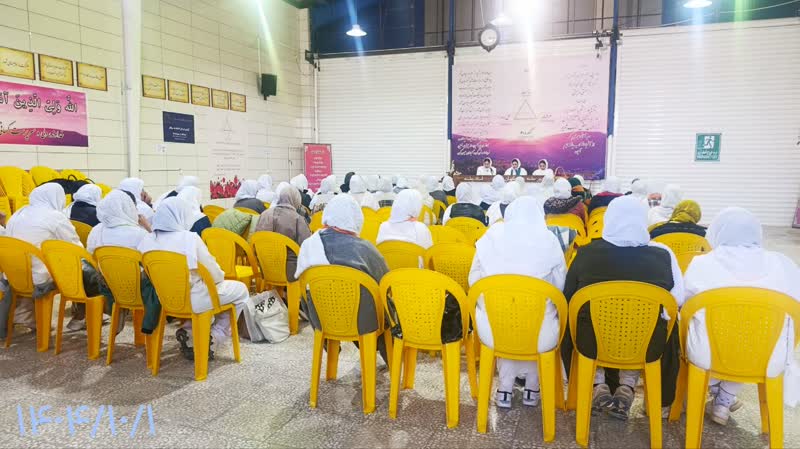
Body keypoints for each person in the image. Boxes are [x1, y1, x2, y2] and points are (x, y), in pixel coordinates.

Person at [560, 196, 684, 421]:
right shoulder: (663, 256)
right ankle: (629, 386)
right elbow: (677, 300)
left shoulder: (586, 253)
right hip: (645, 346)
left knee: (578, 319)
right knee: (656, 323)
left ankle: (596, 382)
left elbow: (567, 296)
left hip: (593, 343)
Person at [683, 207, 800, 425]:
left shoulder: (703, 263)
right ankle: (724, 401)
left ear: (717, 231)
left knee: (705, 332)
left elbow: (684, 305)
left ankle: (713, 391)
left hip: (708, 354)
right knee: (751, 337)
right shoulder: (784, 265)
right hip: (767, 356)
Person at [470, 196, 566, 408]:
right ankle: (532, 388)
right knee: (534, 318)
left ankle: (504, 388)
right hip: (541, 335)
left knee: (505, 317)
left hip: (492, 331)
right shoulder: (549, 240)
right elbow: (560, 286)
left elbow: (473, 281)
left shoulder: (490, 236)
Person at [138, 197, 249, 360]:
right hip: (196, 298)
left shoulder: (147, 240)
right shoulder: (189, 239)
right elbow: (212, 272)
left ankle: (189, 330)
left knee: (208, 300)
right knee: (241, 291)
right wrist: (220, 279)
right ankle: (216, 335)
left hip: (166, 299)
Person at [295, 195, 390, 362]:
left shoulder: (308, 245)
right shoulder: (365, 249)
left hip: (323, 319)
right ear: (356, 219)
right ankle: (389, 359)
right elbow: (385, 282)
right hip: (362, 323)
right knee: (384, 306)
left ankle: (331, 347)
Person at [6, 184, 83, 330]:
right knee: (84, 269)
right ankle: (82, 317)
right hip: (40, 278)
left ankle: (25, 313)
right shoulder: (54, 217)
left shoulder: (18, 213)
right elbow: (75, 247)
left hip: (14, 276)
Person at [255, 185, 311, 281]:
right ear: (296, 200)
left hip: (266, 267)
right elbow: (306, 247)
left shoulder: (264, 214)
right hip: (290, 272)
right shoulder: (297, 219)